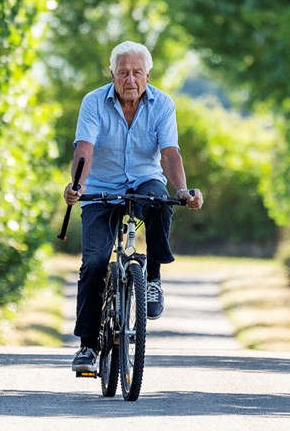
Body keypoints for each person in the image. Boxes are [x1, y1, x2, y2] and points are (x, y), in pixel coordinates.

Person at [63, 40, 204, 373]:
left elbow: (169, 154)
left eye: (136, 72)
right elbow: (85, 149)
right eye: (123, 72)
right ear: (111, 73)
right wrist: (78, 186)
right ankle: (86, 346)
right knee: (95, 263)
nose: (130, 79)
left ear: (148, 75)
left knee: (159, 200)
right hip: (100, 188)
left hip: (144, 181)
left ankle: (152, 278)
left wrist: (183, 190)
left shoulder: (163, 104)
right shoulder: (93, 102)